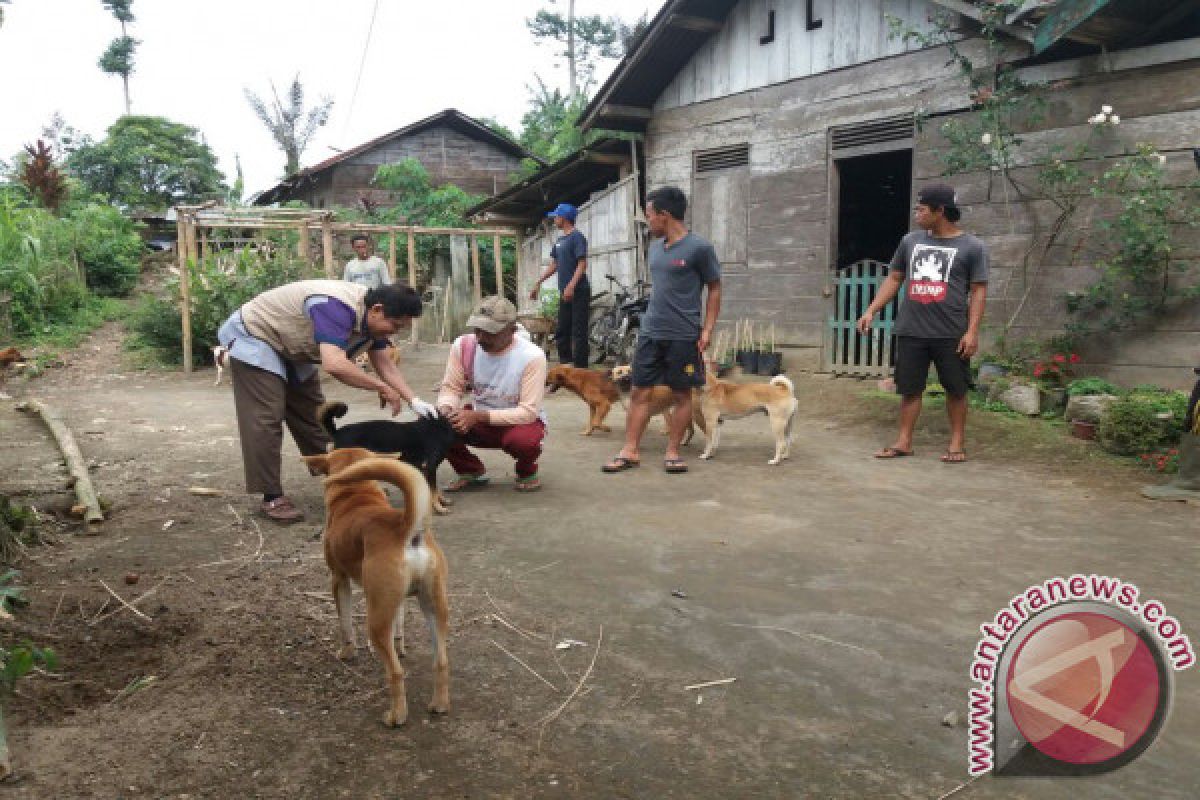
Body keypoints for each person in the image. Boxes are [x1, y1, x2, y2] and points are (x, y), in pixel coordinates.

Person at [217, 279, 436, 522]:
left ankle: (341, 478)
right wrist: (380, 387)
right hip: (256, 334)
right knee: (266, 417)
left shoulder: (372, 318)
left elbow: (383, 362)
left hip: (292, 343)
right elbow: (334, 364)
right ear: (377, 310)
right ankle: (271, 496)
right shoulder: (334, 307)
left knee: (313, 413)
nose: (393, 333)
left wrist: (413, 400)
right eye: (394, 326)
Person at [856, 183, 989, 463]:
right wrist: (871, 310)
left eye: (921, 209)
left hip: (951, 331)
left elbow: (978, 290)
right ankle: (903, 442)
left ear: (940, 211)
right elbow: (894, 278)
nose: (916, 213)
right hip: (911, 329)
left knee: (956, 389)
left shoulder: (972, 247)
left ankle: (956, 444)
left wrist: (972, 331)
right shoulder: (910, 241)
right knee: (909, 389)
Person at [602, 186, 721, 475]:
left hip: (683, 334)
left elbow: (715, 288)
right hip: (651, 332)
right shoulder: (655, 248)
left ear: (664, 215)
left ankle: (673, 451)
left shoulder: (700, 248)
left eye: (650, 216)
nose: (649, 222)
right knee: (639, 392)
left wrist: (707, 329)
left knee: (681, 395)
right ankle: (630, 450)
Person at [436, 295, 548, 493]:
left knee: (523, 441)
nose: (480, 338)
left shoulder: (532, 356)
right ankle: (470, 470)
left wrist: (477, 416)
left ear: (512, 330)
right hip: (480, 418)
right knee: (435, 424)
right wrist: (445, 409)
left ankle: (526, 470)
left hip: (518, 422)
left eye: (490, 332)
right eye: (477, 330)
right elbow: (452, 388)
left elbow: (528, 412)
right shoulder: (464, 346)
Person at [529, 203, 590, 367]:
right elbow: (555, 264)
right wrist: (538, 282)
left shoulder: (577, 237)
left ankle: (581, 369)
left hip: (579, 290)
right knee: (562, 330)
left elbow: (582, 264)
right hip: (566, 292)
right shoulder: (561, 240)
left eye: (556, 216)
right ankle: (566, 365)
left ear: (563, 218)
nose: (554, 219)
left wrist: (571, 286)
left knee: (578, 331)